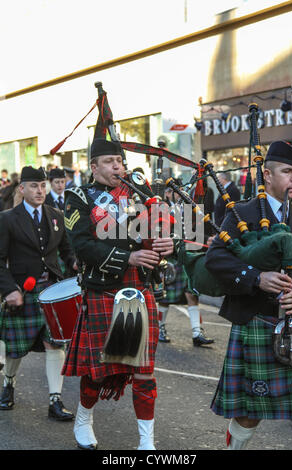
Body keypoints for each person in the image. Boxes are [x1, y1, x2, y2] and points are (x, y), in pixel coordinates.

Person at [62, 138, 174, 450]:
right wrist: (128, 258)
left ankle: (146, 443)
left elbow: (162, 228)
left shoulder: (139, 191)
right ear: (93, 167)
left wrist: (169, 244)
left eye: (119, 161)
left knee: (144, 372)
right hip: (103, 289)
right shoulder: (78, 197)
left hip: (139, 288)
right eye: (109, 161)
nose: (117, 166)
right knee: (99, 372)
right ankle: (84, 418)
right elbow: (82, 245)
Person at [205, 140, 292, 450]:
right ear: (268, 175)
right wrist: (257, 278)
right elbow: (217, 258)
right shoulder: (242, 212)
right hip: (256, 321)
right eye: (288, 171)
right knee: (250, 413)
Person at [0, 166, 77, 421]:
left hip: (52, 290)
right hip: (23, 290)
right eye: (34, 186)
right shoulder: (8, 218)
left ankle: (55, 399)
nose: (40, 190)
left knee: (54, 343)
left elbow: (67, 251)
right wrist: (10, 290)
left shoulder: (56, 215)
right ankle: (8, 383)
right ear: (22, 189)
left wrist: (77, 264)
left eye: (43, 186)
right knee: (16, 346)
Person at [158, 184, 214, 346]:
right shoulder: (164, 210)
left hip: (189, 258)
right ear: (169, 194)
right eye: (177, 193)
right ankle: (160, 328)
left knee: (192, 294)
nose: (182, 196)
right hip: (172, 258)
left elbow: (196, 233)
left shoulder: (191, 211)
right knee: (166, 297)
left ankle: (197, 333)